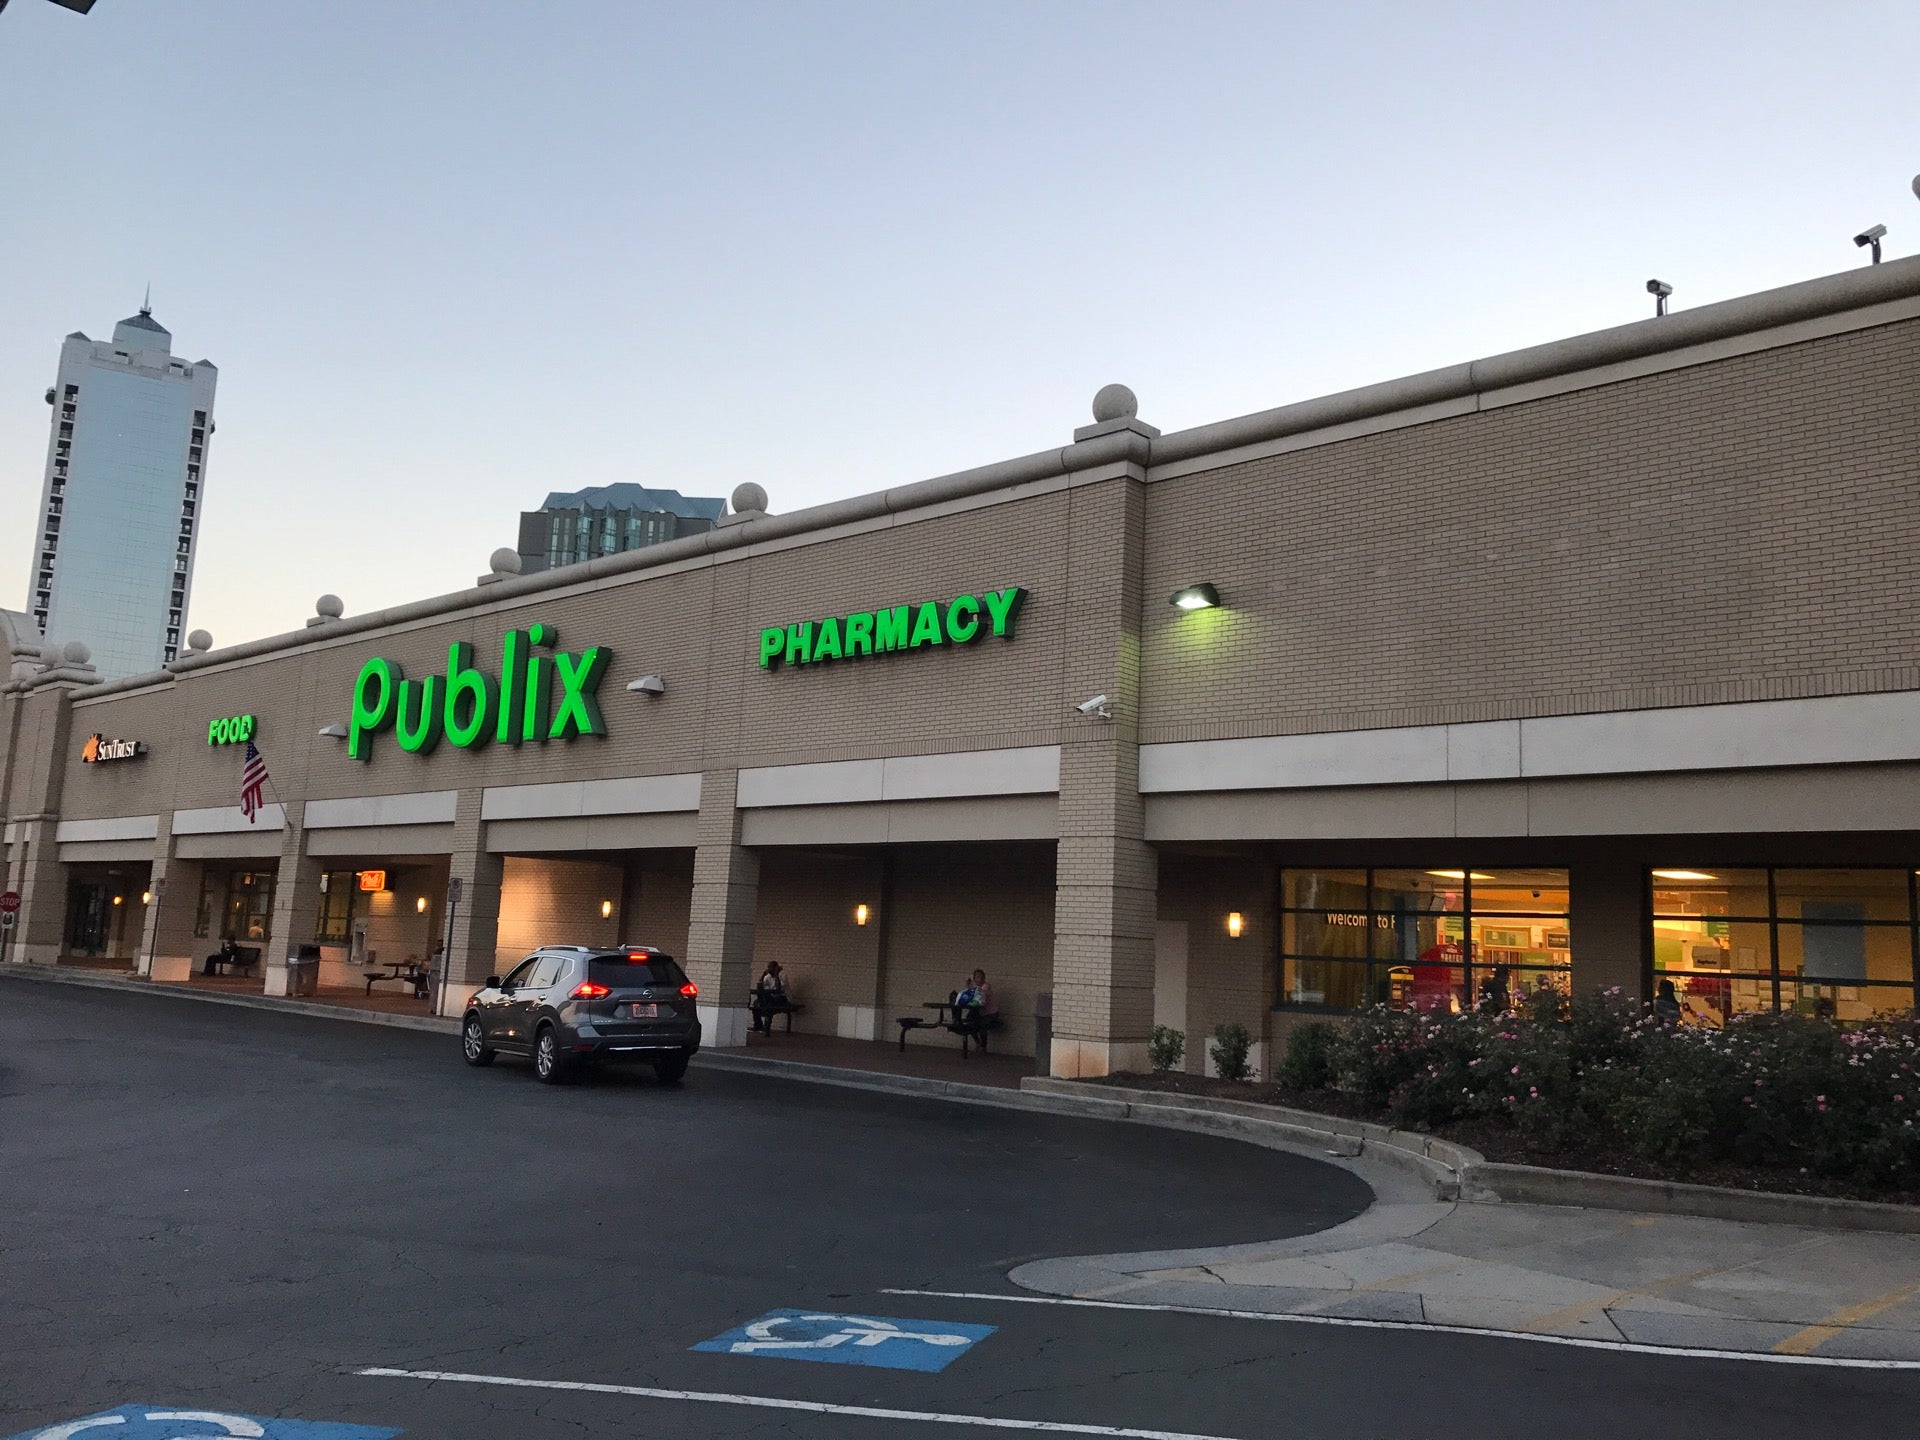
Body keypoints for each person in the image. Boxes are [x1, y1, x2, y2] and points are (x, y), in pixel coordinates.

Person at [952, 968, 1001, 1046]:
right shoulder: (974, 986)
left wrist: (970, 990)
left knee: (981, 1025)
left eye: (982, 977)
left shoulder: (986, 986)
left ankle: (983, 1046)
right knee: (969, 1020)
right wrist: (968, 986)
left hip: (991, 1014)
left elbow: (980, 998)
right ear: (974, 979)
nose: (980, 979)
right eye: (977, 977)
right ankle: (977, 1042)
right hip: (980, 1012)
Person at [751, 960, 792, 1035]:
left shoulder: (782, 975)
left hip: (783, 998)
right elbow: (759, 987)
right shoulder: (768, 976)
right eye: (768, 967)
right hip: (772, 998)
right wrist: (763, 975)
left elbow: (778, 989)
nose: (769, 969)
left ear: (775, 968)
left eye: (770, 967)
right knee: (756, 1005)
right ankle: (758, 1026)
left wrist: (776, 975)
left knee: (768, 1006)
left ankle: (766, 1028)